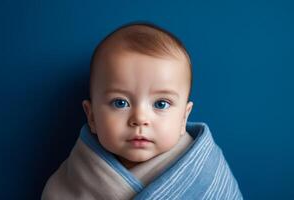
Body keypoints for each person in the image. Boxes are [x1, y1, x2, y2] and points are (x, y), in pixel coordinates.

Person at [42, 22, 243, 200]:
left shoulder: (206, 173)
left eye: (161, 104)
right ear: (92, 115)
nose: (140, 119)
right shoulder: (71, 182)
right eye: (120, 103)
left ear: (184, 117)